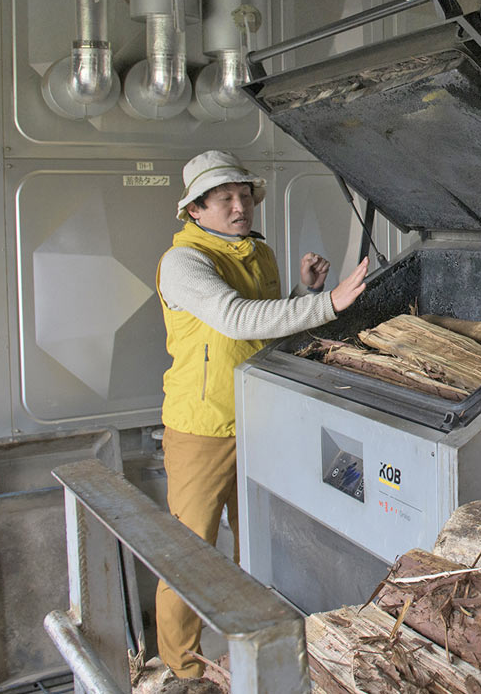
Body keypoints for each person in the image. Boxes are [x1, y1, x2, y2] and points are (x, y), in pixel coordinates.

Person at [153, 150, 368, 685]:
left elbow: (264, 334)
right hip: (203, 426)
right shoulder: (183, 263)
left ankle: (254, 655)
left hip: (260, 420)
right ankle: (181, 673)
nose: (238, 205)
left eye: (244, 195)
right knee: (191, 552)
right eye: (223, 197)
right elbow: (233, 317)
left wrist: (305, 294)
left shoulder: (258, 253)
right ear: (196, 210)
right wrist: (330, 306)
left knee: (261, 543)